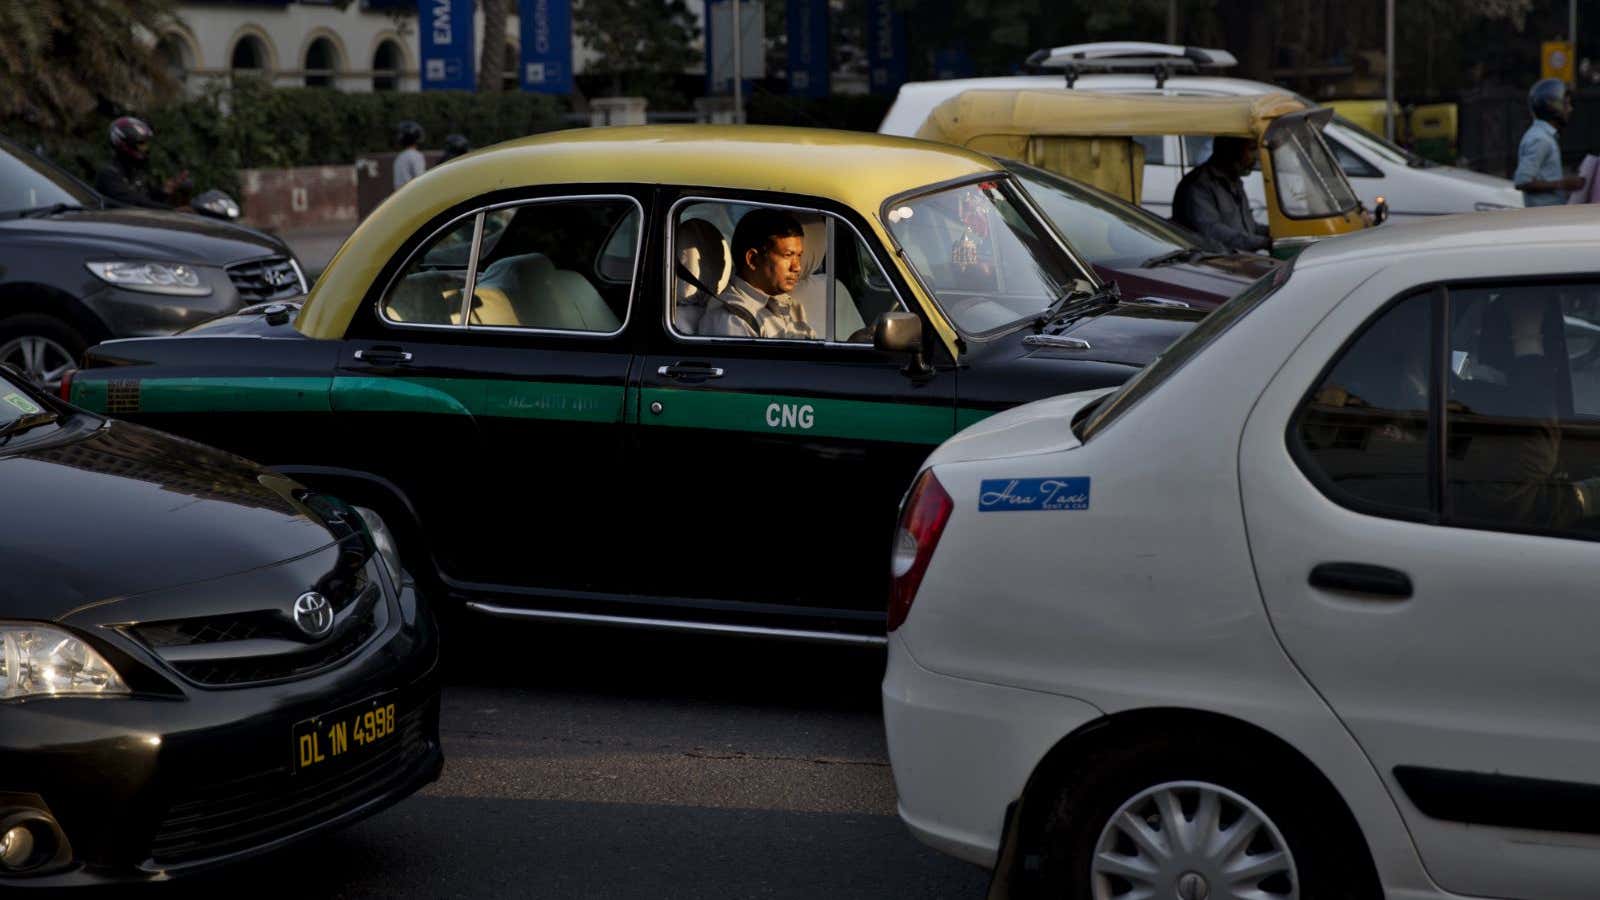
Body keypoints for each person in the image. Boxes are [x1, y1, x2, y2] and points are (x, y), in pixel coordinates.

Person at [699, 209, 817, 339]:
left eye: (799, 256)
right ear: (753, 259)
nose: (797, 267)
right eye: (788, 255)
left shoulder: (791, 306)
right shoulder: (731, 319)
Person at [1171, 135, 1272, 253]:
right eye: (1251, 149)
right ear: (1231, 150)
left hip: (1241, 260)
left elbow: (1248, 227)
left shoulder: (1234, 180)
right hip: (1214, 264)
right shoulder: (1199, 185)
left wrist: (1273, 233)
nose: (1256, 157)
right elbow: (1212, 231)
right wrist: (1262, 242)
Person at [1514, 78, 1586, 207]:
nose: (1570, 109)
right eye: (1566, 104)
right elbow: (1522, 181)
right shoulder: (1540, 139)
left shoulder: (1544, 136)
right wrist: (1563, 184)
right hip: (1543, 218)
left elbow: (1545, 176)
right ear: (1553, 106)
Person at [95, 116, 184, 209]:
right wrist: (173, 211)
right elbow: (135, 203)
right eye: (141, 144)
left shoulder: (136, 172)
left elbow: (145, 199)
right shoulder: (109, 175)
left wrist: (164, 191)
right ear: (124, 145)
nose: (145, 149)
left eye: (146, 144)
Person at [393, 120, 427, 190]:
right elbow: (420, 180)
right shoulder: (416, 155)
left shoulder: (400, 157)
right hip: (412, 195)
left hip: (400, 196)